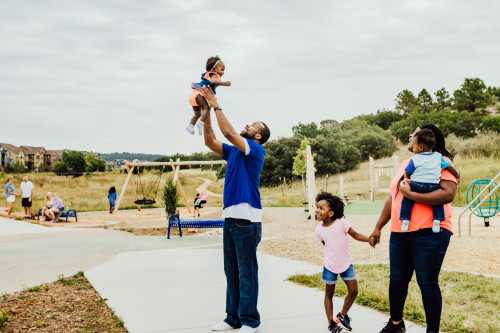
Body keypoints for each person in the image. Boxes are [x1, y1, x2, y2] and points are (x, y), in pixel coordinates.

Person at [369, 124, 458, 333]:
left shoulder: (439, 161)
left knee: (426, 281)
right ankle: (396, 324)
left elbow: (448, 193)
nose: (410, 137)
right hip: (400, 232)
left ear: (426, 139)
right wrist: (378, 227)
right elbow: (393, 198)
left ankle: (432, 331)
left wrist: (413, 196)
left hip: (431, 232)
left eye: (414, 134)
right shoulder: (406, 164)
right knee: (397, 279)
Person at [201, 87, 270, 333]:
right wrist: (205, 112)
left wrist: (215, 102)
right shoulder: (234, 152)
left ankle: (250, 321)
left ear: (258, 135)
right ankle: (233, 318)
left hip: (247, 220)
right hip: (231, 218)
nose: (248, 124)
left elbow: (228, 132)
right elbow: (210, 140)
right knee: (231, 271)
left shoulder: (255, 149)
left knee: (246, 272)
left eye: (253, 125)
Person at [315, 192, 372, 332]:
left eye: (321, 208)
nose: (317, 210)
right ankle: (331, 323)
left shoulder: (342, 223)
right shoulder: (318, 230)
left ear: (331, 213)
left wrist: (369, 239)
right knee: (329, 294)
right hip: (329, 266)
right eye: (317, 207)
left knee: (353, 291)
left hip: (346, 264)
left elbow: (356, 235)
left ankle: (342, 315)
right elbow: (326, 244)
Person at [400, 128, 459, 233]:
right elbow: (449, 167)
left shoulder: (415, 159)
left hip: (416, 185)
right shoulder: (439, 157)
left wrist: (407, 179)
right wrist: (457, 175)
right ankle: (437, 219)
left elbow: (408, 171)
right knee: (437, 203)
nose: (413, 148)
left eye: (414, 146)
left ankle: (405, 220)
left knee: (407, 200)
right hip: (433, 186)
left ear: (421, 147)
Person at [186, 56, 231, 135]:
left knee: (197, 114)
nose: (223, 72)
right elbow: (213, 82)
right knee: (206, 108)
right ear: (214, 69)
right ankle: (200, 124)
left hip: (193, 95)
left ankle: (190, 126)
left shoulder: (207, 74)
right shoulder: (214, 75)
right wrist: (225, 83)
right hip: (198, 94)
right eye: (222, 69)